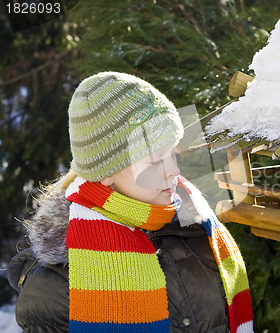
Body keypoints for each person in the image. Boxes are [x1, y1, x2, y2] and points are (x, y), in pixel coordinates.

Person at [7, 72, 253, 333]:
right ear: (106, 172)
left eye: (173, 153)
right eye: (156, 160)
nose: (174, 171)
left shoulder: (198, 229)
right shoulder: (58, 279)